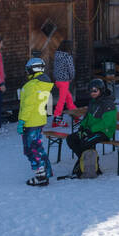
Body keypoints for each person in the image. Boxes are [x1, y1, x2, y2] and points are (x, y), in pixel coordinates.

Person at [66, 77, 116, 176]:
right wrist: (83, 127)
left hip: (104, 131)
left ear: (101, 90)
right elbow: (87, 117)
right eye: (90, 91)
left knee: (85, 142)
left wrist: (91, 130)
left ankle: (89, 163)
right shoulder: (93, 102)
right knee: (71, 139)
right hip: (92, 130)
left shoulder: (108, 104)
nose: (92, 93)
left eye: (95, 91)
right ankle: (85, 161)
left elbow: (107, 122)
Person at [18, 56, 54, 186]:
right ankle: (46, 171)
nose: (26, 72)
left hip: (30, 122)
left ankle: (41, 177)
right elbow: (49, 105)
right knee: (37, 147)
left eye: (28, 70)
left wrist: (22, 121)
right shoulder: (44, 84)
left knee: (30, 149)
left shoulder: (31, 85)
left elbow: (28, 105)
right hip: (39, 120)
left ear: (33, 69)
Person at [50, 39, 77, 126]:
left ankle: (76, 115)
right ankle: (56, 119)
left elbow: (55, 68)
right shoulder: (68, 57)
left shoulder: (57, 55)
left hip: (58, 81)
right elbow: (71, 69)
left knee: (68, 98)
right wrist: (71, 77)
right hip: (65, 81)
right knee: (61, 101)